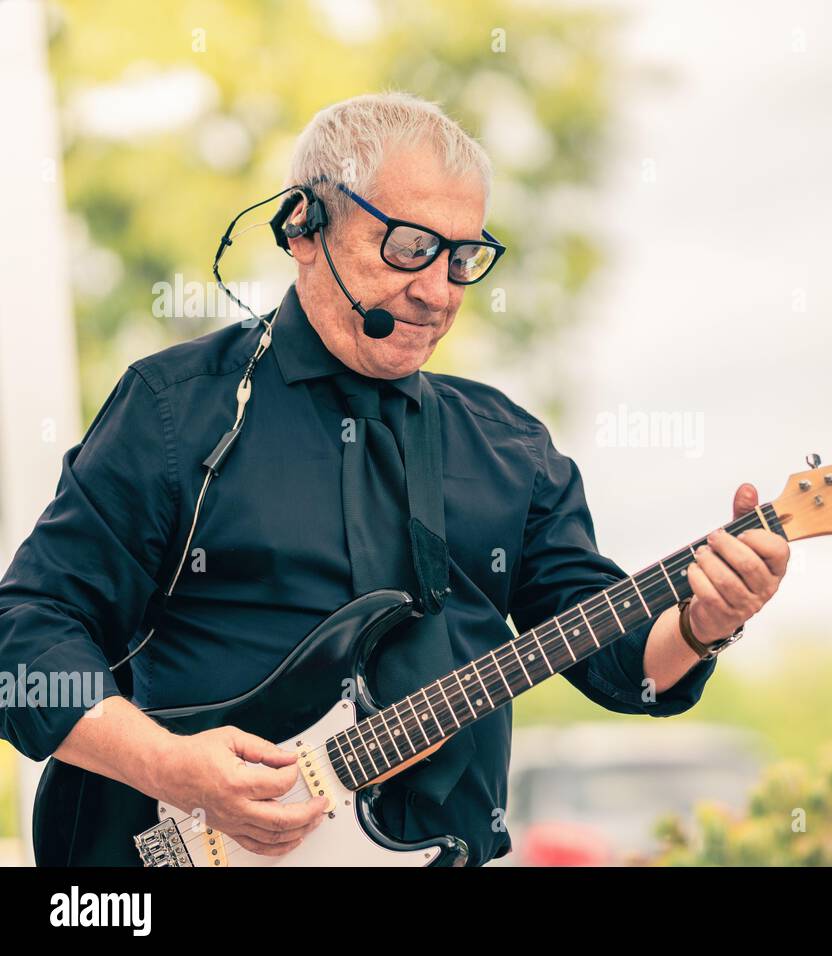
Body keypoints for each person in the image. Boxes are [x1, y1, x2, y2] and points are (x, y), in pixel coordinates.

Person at [0, 91, 789, 866]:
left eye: (464, 257)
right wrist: (168, 766)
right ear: (304, 227)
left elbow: (620, 665)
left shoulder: (511, 448)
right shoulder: (177, 410)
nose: (440, 291)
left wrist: (703, 621)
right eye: (410, 247)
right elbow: (22, 640)